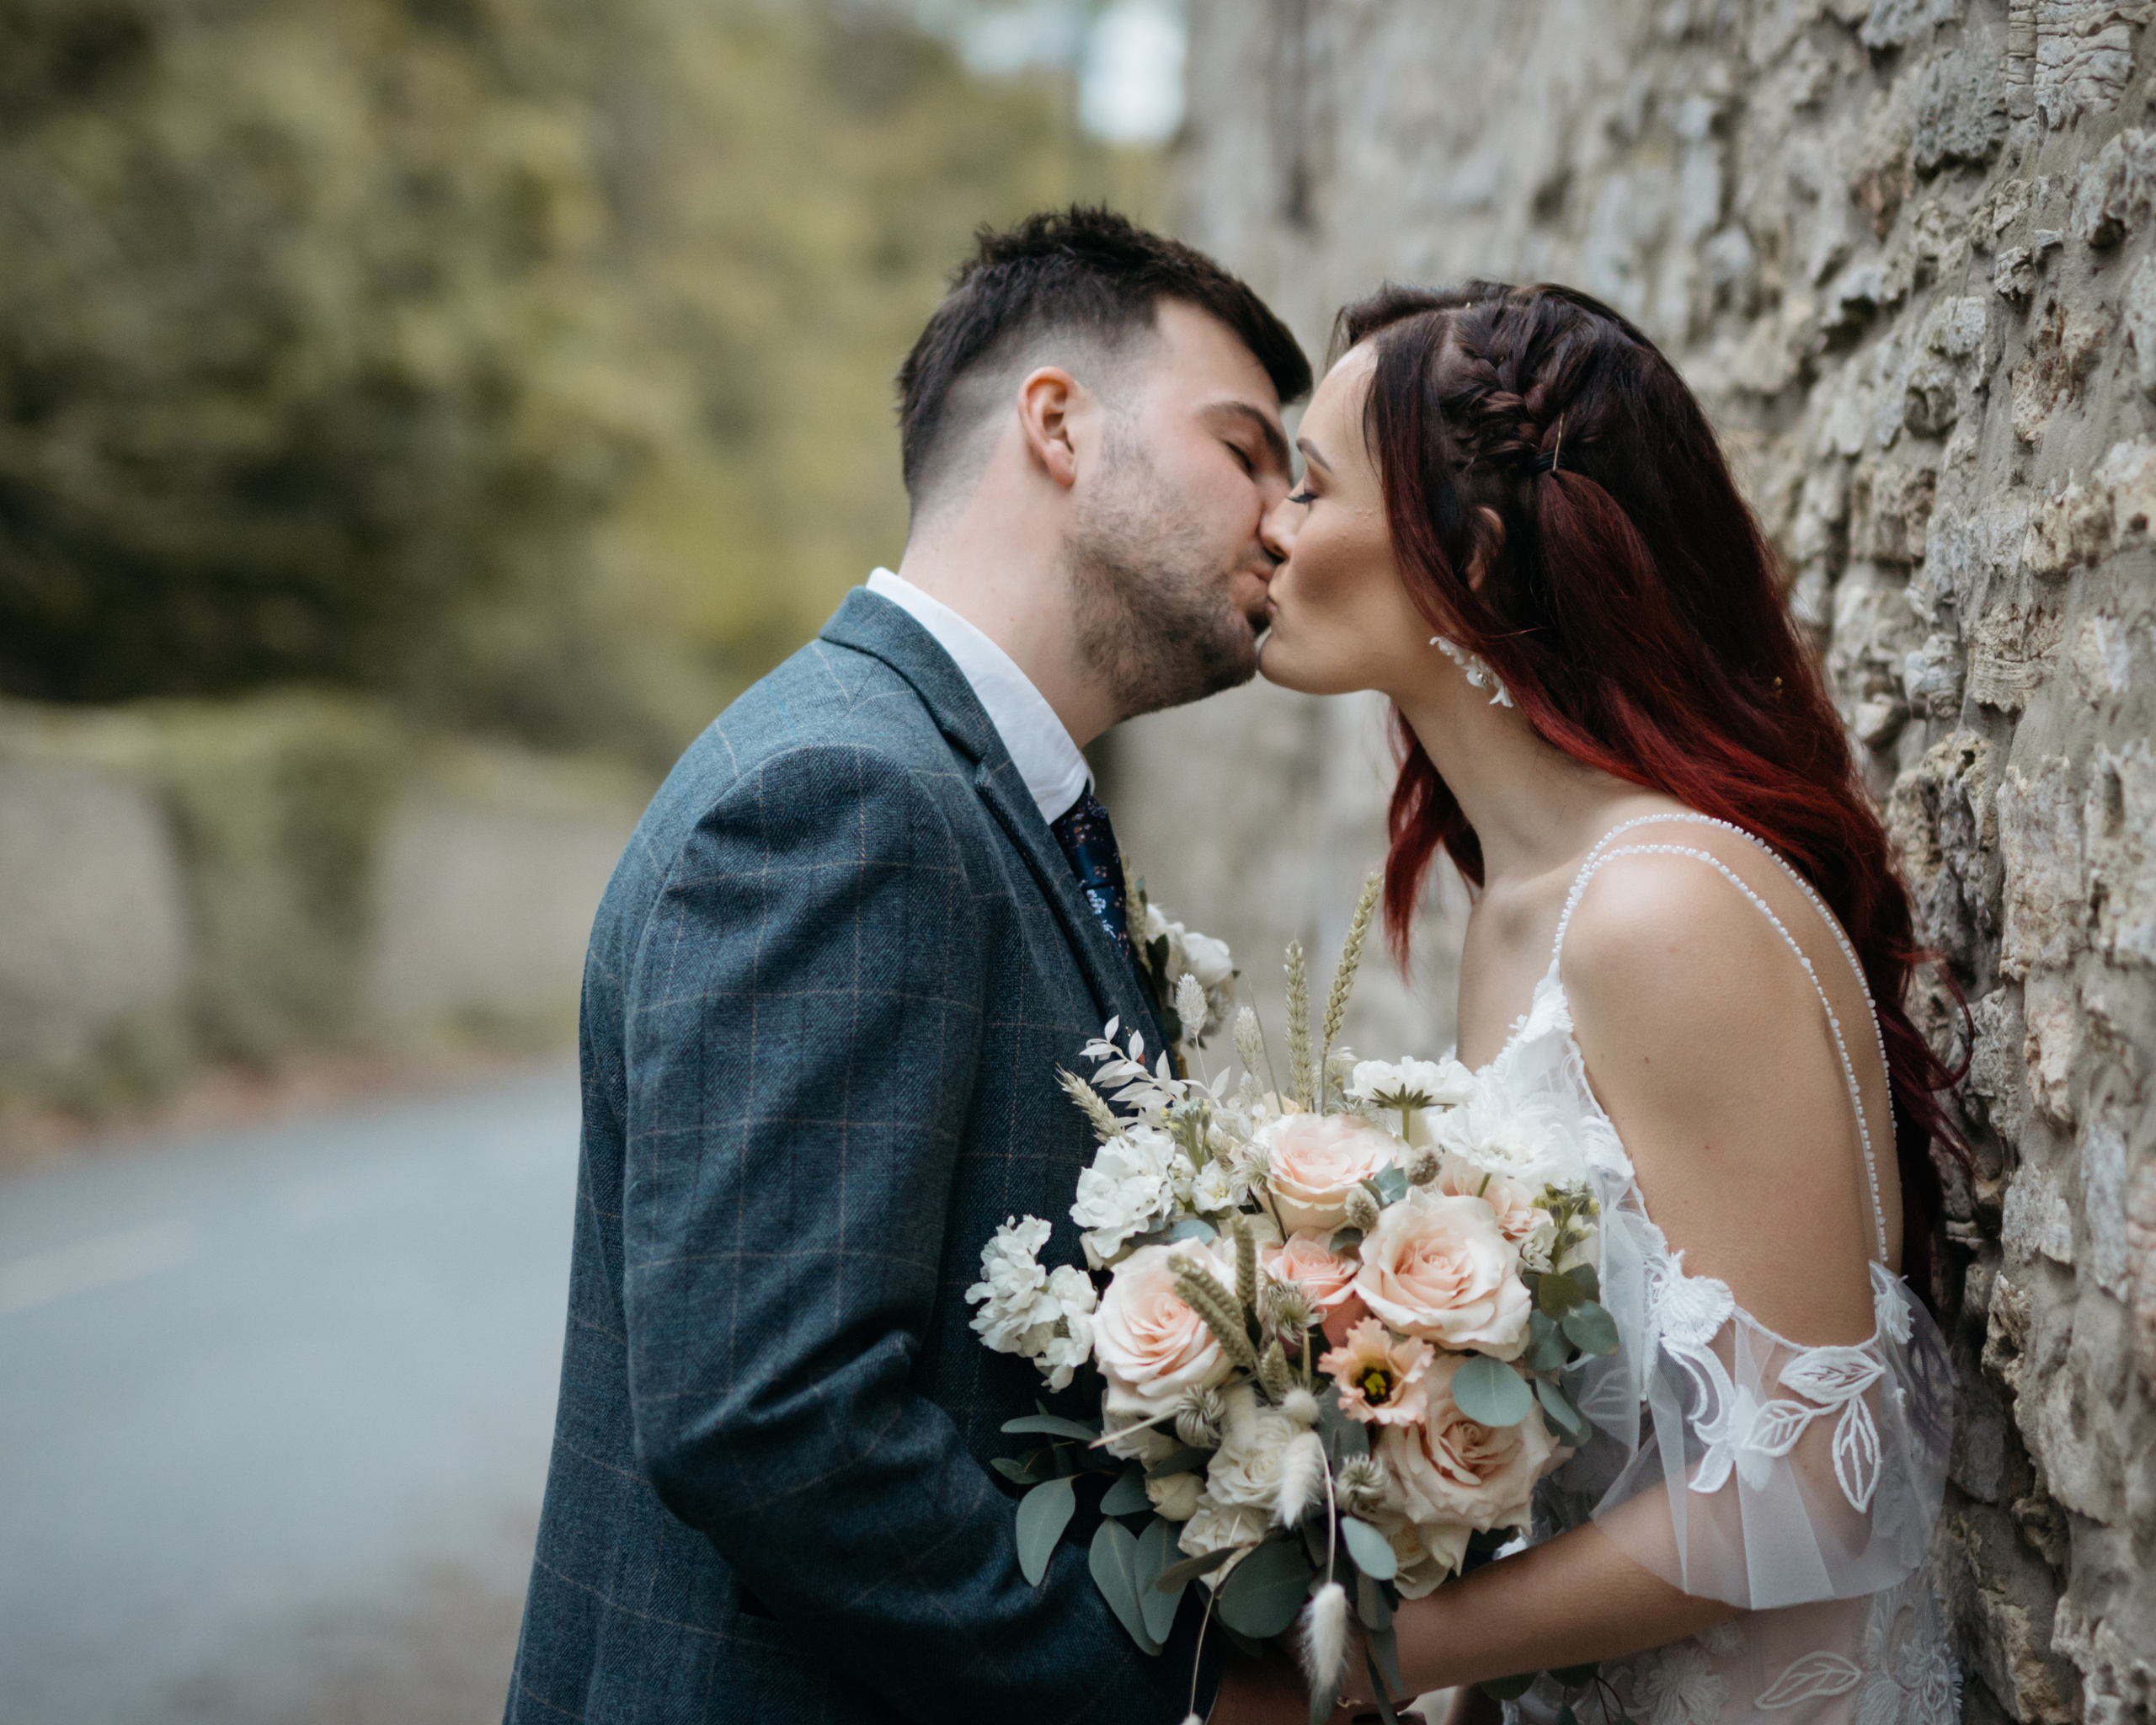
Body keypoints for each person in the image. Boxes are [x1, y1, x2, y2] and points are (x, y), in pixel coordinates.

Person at [502, 207, 1322, 1725]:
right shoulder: (844, 797)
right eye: (1246, 451)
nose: (1287, 521)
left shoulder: (965, 792)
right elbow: (774, 1419)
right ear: (1060, 427)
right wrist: (1182, 1697)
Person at [1254, 281, 1961, 1724]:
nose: (1268, 523)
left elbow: (1819, 1479)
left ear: (1480, 554)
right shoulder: (1515, 912)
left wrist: (1364, 1654)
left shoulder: (1662, 913)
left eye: (1310, 485)